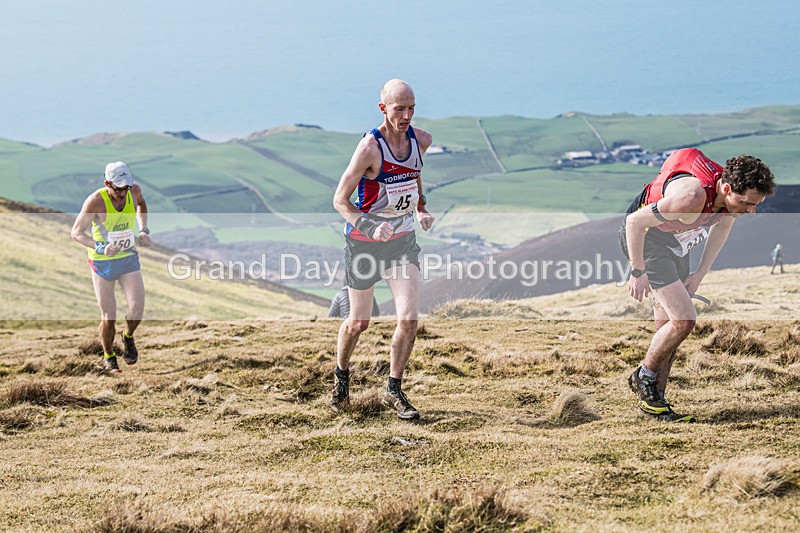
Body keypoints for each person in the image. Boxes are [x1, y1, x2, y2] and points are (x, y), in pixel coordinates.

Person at [621, 149, 774, 421]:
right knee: (684, 321)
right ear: (726, 188)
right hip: (647, 241)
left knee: (667, 329)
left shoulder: (728, 201)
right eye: (747, 203)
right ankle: (643, 376)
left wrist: (699, 274)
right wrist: (637, 269)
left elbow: (721, 228)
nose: (751, 211)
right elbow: (634, 222)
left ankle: (655, 404)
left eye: (756, 204)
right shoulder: (691, 199)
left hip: (675, 243)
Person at [330, 79, 434, 420]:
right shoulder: (369, 149)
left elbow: (414, 173)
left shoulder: (421, 140)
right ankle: (341, 379)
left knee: (409, 319)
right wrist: (370, 225)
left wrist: (420, 207)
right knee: (359, 322)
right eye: (399, 109)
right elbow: (340, 201)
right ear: (383, 109)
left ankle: (394, 389)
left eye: (411, 108)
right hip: (364, 246)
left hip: (402, 242)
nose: (406, 115)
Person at [71, 162, 151, 373]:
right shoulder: (95, 201)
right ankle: (108, 355)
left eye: (126, 187)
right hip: (102, 263)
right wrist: (100, 247)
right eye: (118, 188)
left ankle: (128, 337)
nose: (123, 193)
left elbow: (142, 204)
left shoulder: (133, 191)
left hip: (128, 259)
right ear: (107, 183)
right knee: (109, 317)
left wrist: (143, 230)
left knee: (136, 310)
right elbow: (77, 233)